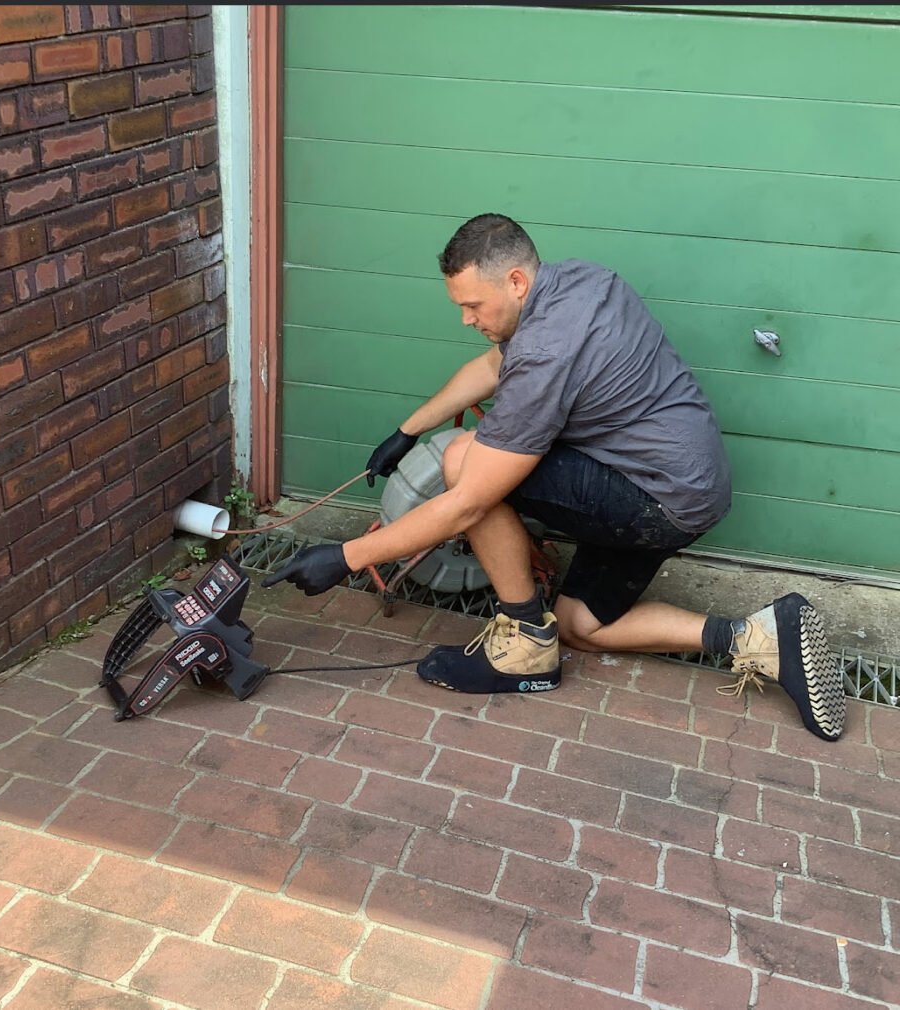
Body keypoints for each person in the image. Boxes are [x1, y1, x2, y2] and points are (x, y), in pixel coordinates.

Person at [263, 214, 846, 742]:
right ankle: (762, 638)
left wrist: (345, 557)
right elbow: (496, 364)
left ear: (515, 281)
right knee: (581, 624)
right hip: (687, 487)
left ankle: (524, 645)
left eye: (473, 305)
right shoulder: (579, 281)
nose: (467, 319)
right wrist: (409, 428)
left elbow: (468, 505)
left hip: (653, 497)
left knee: (467, 462)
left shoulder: (545, 353)